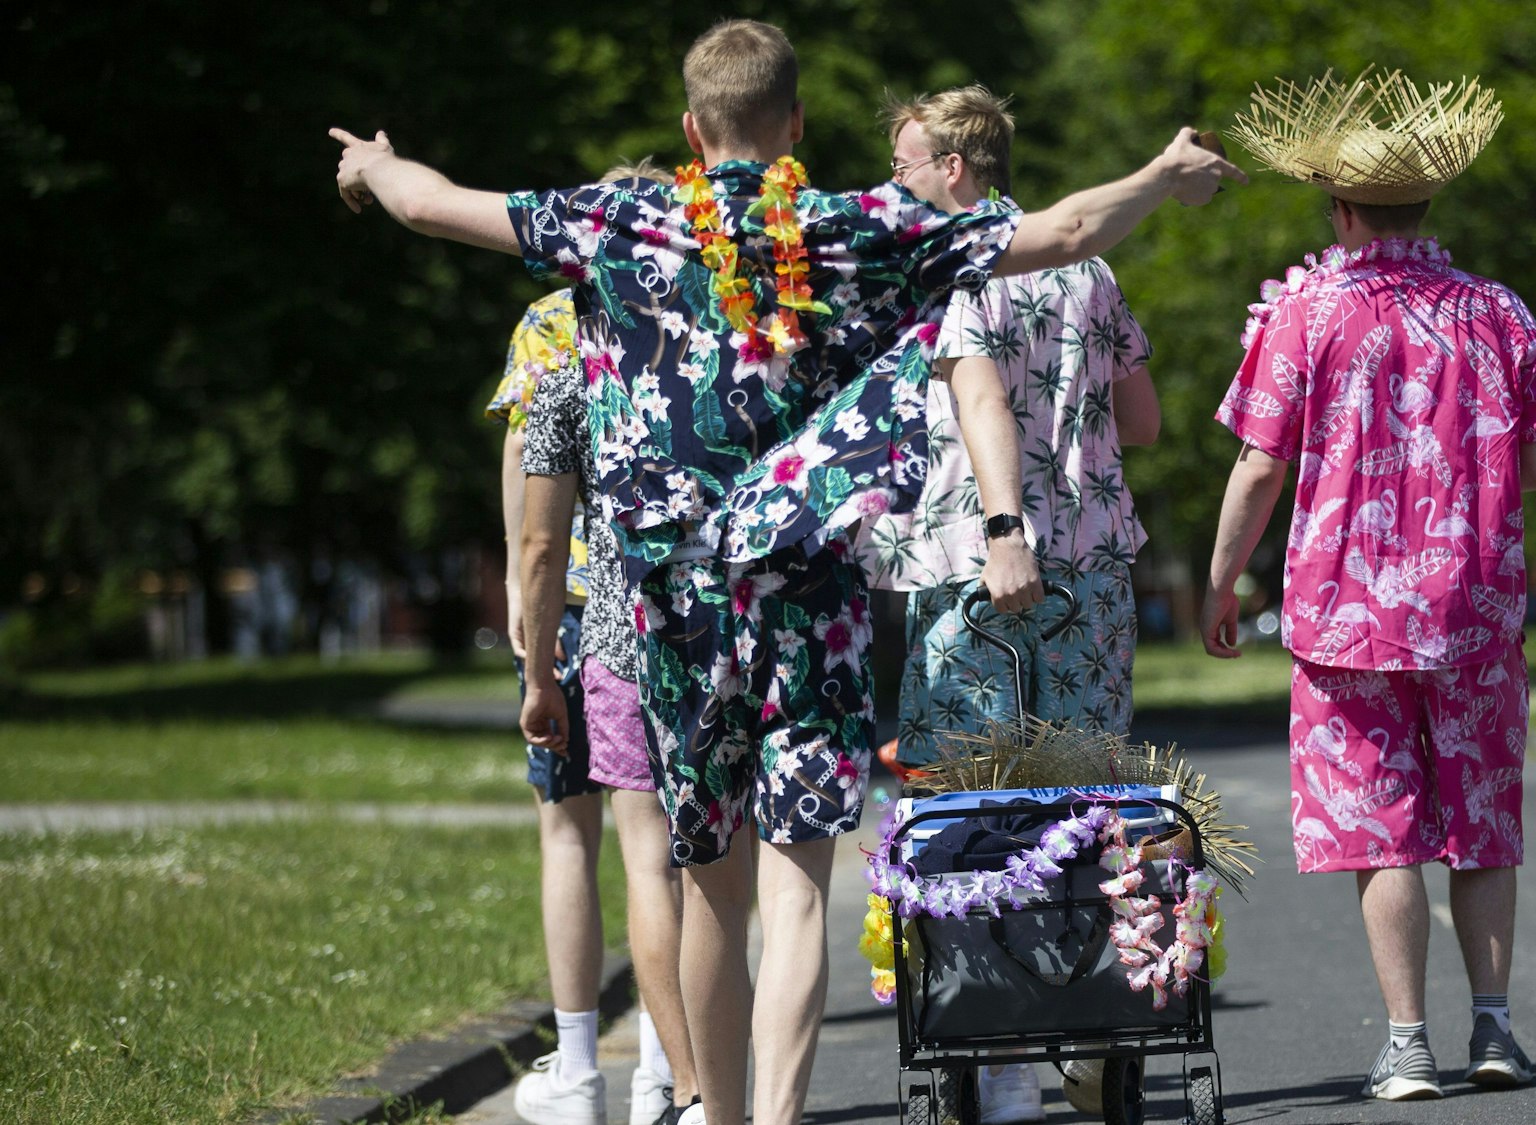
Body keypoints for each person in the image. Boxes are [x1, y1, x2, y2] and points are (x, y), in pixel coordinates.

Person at [329, 21, 1239, 1125]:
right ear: (796, 123)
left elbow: (435, 206)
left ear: (690, 128)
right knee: (796, 888)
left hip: (673, 608)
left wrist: (374, 165)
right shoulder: (851, 227)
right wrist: (1163, 172)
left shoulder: (614, 221)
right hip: (810, 602)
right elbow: (1064, 230)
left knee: (709, 887)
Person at [1203, 69, 1536, 1101]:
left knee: (1382, 830)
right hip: (1473, 610)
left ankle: (1407, 1045)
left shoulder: (1305, 312)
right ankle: (1494, 1030)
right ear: (1424, 203)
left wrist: (1222, 581)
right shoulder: (1498, 310)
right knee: (1481, 822)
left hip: (1343, 615)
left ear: (1341, 209)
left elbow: (1259, 466)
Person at [858, 84, 1160, 1125]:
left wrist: (1003, 521)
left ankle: (996, 1056)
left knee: (970, 801)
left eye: (903, 165)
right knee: (1088, 797)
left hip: (971, 559)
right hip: (1092, 561)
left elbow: (979, 395)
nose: (892, 184)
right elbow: (1143, 419)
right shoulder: (1090, 264)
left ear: (953, 169)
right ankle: (1098, 1031)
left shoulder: (947, 264)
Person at [513, 163, 707, 1125]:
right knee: (700, 863)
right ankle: (672, 1079)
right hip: (710, 626)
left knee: (605, 849)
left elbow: (535, 529)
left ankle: (622, 1073)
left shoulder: (557, 350)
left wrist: (530, 643)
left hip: (599, 626)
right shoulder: (715, 336)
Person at [490, 281, 621, 1124]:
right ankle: (671, 1078)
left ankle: (577, 1071)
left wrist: (515, 582)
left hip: (565, 603)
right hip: (654, 600)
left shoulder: (550, 318)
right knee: (662, 848)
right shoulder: (685, 293)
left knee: (568, 833)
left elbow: (520, 450)